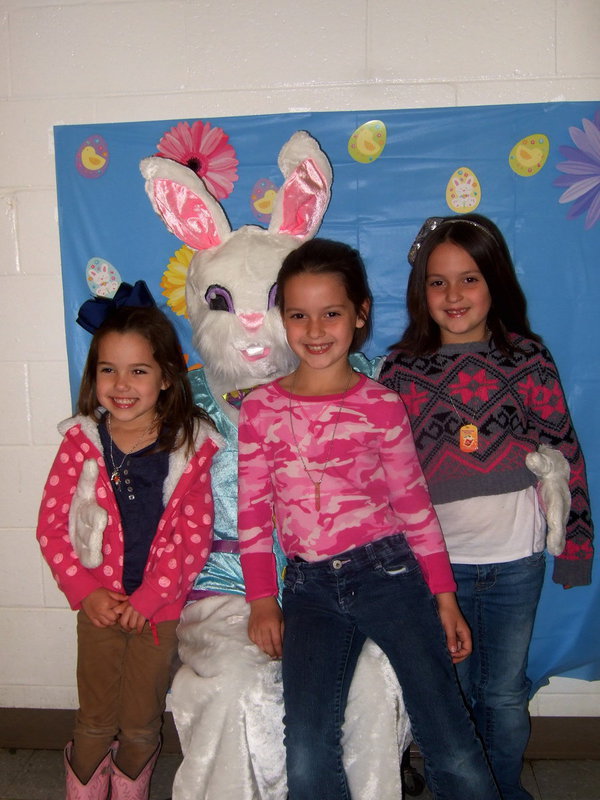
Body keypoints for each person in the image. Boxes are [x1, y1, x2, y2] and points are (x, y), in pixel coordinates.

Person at [237, 238, 500, 800]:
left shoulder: (381, 405)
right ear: (281, 319)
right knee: (306, 748)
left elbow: (414, 507)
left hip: (391, 577)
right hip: (308, 588)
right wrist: (262, 599)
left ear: (359, 315)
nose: (315, 330)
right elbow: (254, 514)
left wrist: (445, 597)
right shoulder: (259, 410)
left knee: (447, 733)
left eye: (331, 313)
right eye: (299, 315)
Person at [379, 214, 594, 800]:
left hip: (515, 565)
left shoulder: (527, 357)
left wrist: (576, 545)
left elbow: (565, 451)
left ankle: (500, 791)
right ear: (420, 290)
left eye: (469, 279)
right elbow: (384, 474)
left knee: (502, 694)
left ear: (495, 281)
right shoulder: (400, 371)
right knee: (447, 697)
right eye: (439, 282)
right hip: (435, 572)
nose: (454, 296)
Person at [36, 282, 222, 800]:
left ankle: (131, 787)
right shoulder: (81, 444)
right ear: (93, 376)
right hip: (97, 605)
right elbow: (52, 528)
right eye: (108, 370)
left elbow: (193, 537)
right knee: (95, 718)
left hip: (155, 613)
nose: (122, 384)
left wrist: (150, 599)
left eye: (138, 370)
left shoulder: (190, 447)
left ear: (165, 377)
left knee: (141, 722)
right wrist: (85, 590)